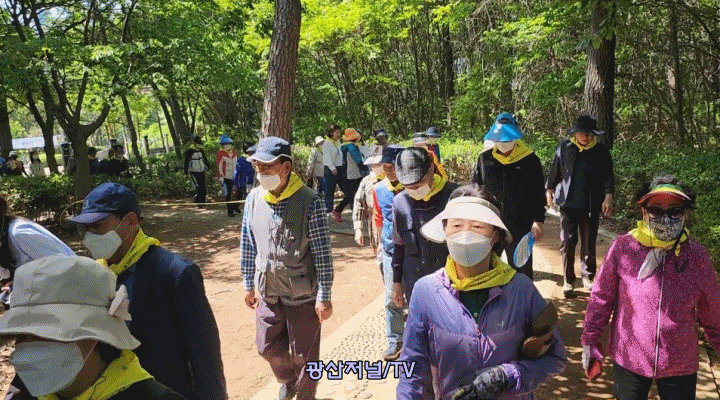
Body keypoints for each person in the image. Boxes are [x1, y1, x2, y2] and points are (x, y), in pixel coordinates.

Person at [397, 184, 566, 399]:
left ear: (495, 235)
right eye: (457, 225)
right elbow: (412, 369)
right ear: (445, 231)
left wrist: (506, 375)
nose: (465, 234)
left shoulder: (521, 289)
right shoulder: (426, 292)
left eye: (477, 226)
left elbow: (554, 357)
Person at [70, 183, 227, 400]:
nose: (90, 236)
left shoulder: (174, 273)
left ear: (130, 222)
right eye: (86, 228)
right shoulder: (94, 276)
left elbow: (205, 353)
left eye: (98, 226)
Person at [581, 176, 720, 400]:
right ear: (644, 212)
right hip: (629, 356)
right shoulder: (623, 248)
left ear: (685, 213)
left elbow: (713, 310)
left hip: (679, 361)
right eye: (656, 210)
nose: (665, 218)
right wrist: (590, 341)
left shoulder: (696, 257)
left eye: (675, 210)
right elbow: (601, 297)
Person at [0, 255, 186, 400]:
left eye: (44, 332)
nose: (27, 347)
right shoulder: (25, 390)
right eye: (20, 334)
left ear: (95, 334)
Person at [240, 136, 334, 400]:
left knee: (306, 357)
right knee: (266, 346)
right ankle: (288, 379)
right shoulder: (253, 199)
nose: (261, 171)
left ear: (286, 167)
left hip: (302, 293)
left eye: (267, 166)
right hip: (268, 290)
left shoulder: (310, 201)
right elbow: (247, 244)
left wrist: (324, 295)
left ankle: (306, 396)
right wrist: (247, 282)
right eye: (258, 166)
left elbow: (322, 253)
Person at [546, 115, 614, 297]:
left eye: (590, 134)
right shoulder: (565, 147)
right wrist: (549, 190)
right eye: (582, 133)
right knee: (567, 242)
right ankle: (568, 279)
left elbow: (608, 175)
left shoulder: (600, 151)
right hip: (567, 203)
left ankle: (588, 276)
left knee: (588, 241)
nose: (586, 137)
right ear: (575, 133)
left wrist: (608, 196)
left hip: (591, 203)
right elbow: (555, 169)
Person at [472, 113, 546, 279]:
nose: (504, 145)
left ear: (515, 138)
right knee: (486, 270)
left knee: (522, 271)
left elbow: (537, 193)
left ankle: (524, 296)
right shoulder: (484, 159)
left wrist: (538, 220)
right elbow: (476, 189)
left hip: (521, 225)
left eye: (507, 141)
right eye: (500, 141)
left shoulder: (530, 160)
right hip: (491, 224)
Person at [391, 147, 459, 307]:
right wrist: (396, 282)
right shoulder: (399, 202)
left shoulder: (455, 196)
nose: (415, 189)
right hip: (416, 282)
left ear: (431, 169)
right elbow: (398, 247)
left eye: (419, 183)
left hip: (453, 283)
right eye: (409, 186)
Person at [0, 194, 74, 309]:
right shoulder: (5, 238)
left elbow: (67, 267)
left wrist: (23, 287)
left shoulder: (19, 233)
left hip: (68, 298)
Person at [370, 145, 406, 361]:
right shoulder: (379, 189)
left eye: (394, 166)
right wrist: (380, 246)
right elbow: (379, 218)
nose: (390, 170)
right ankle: (395, 339)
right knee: (392, 298)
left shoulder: (412, 186)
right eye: (386, 166)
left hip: (413, 252)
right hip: (391, 251)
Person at [333, 128, 365, 222]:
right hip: (352, 175)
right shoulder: (351, 147)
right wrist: (365, 167)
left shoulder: (342, 146)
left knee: (350, 195)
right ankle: (357, 217)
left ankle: (338, 210)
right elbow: (358, 160)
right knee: (354, 196)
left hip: (344, 174)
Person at [184, 136, 212, 207]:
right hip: (194, 171)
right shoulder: (189, 151)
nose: (199, 145)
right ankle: (199, 202)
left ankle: (202, 202)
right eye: (198, 143)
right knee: (199, 186)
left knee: (203, 187)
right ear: (195, 143)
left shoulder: (200, 150)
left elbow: (205, 159)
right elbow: (186, 162)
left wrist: (209, 167)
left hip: (201, 170)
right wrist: (186, 172)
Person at [216, 135, 241, 217]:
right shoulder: (220, 153)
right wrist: (221, 176)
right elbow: (219, 166)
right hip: (226, 177)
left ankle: (235, 206)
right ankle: (230, 211)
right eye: (225, 144)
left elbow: (237, 164)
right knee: (228, 194)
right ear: (222, 145)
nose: (227, 145)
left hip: (235, 176)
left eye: (229, 144)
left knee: (238, 192)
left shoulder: (234, 152)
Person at [321, 125, 343, 215]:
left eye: (339, 132)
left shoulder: (338, 142)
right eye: (336, 132)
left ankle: (339, 208)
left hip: (340, 167)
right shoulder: (327, 144)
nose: (338, 134)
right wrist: (332, 168)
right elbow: (327, 158)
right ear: (331, 133)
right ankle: (328, 208)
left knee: (344, 188)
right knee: (330, 189)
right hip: (331, 169)